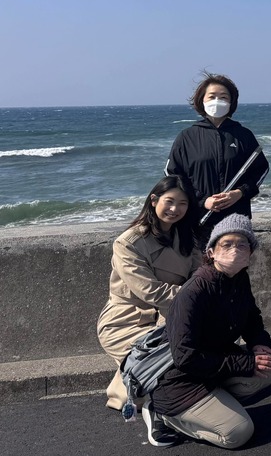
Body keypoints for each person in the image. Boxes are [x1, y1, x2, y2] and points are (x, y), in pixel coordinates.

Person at [146, 215, 271, 449]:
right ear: (211, 253)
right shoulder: (194, 292)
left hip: (213, 369)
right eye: (226, 244)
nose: (234, 250)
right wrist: (246, 364)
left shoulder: (239, 279)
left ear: (250, 253)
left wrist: (259, 344)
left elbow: (251, 319)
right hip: (181, 381)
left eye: (242, 244)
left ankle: (214, 405)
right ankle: (164, 416)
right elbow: (185, 358)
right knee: (239, 433)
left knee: (269, 369)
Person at [97, 176, 201, 412]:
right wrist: (195, 298)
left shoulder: (186, 237)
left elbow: (199, 276)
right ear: (154, 200)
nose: (175, 209)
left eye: (183, 203)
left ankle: (137, 384)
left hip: (171, 315)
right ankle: (131, 392)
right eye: (169, 201)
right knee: (174, 359)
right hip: (127, 320)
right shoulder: (128, 243)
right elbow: (150, 291)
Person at [165, 73, 269, 249]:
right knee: (198, 270)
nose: (217, 101)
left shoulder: (243, 135)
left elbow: (261, 170)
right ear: (202, 100)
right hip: (198, 218)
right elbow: (173, 175)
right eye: (212, 96)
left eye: (223, 97)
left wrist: (240, 193)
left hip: (236, 216)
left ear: (231, 102)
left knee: (234, 268)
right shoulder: (187, 137)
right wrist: (201, 200)